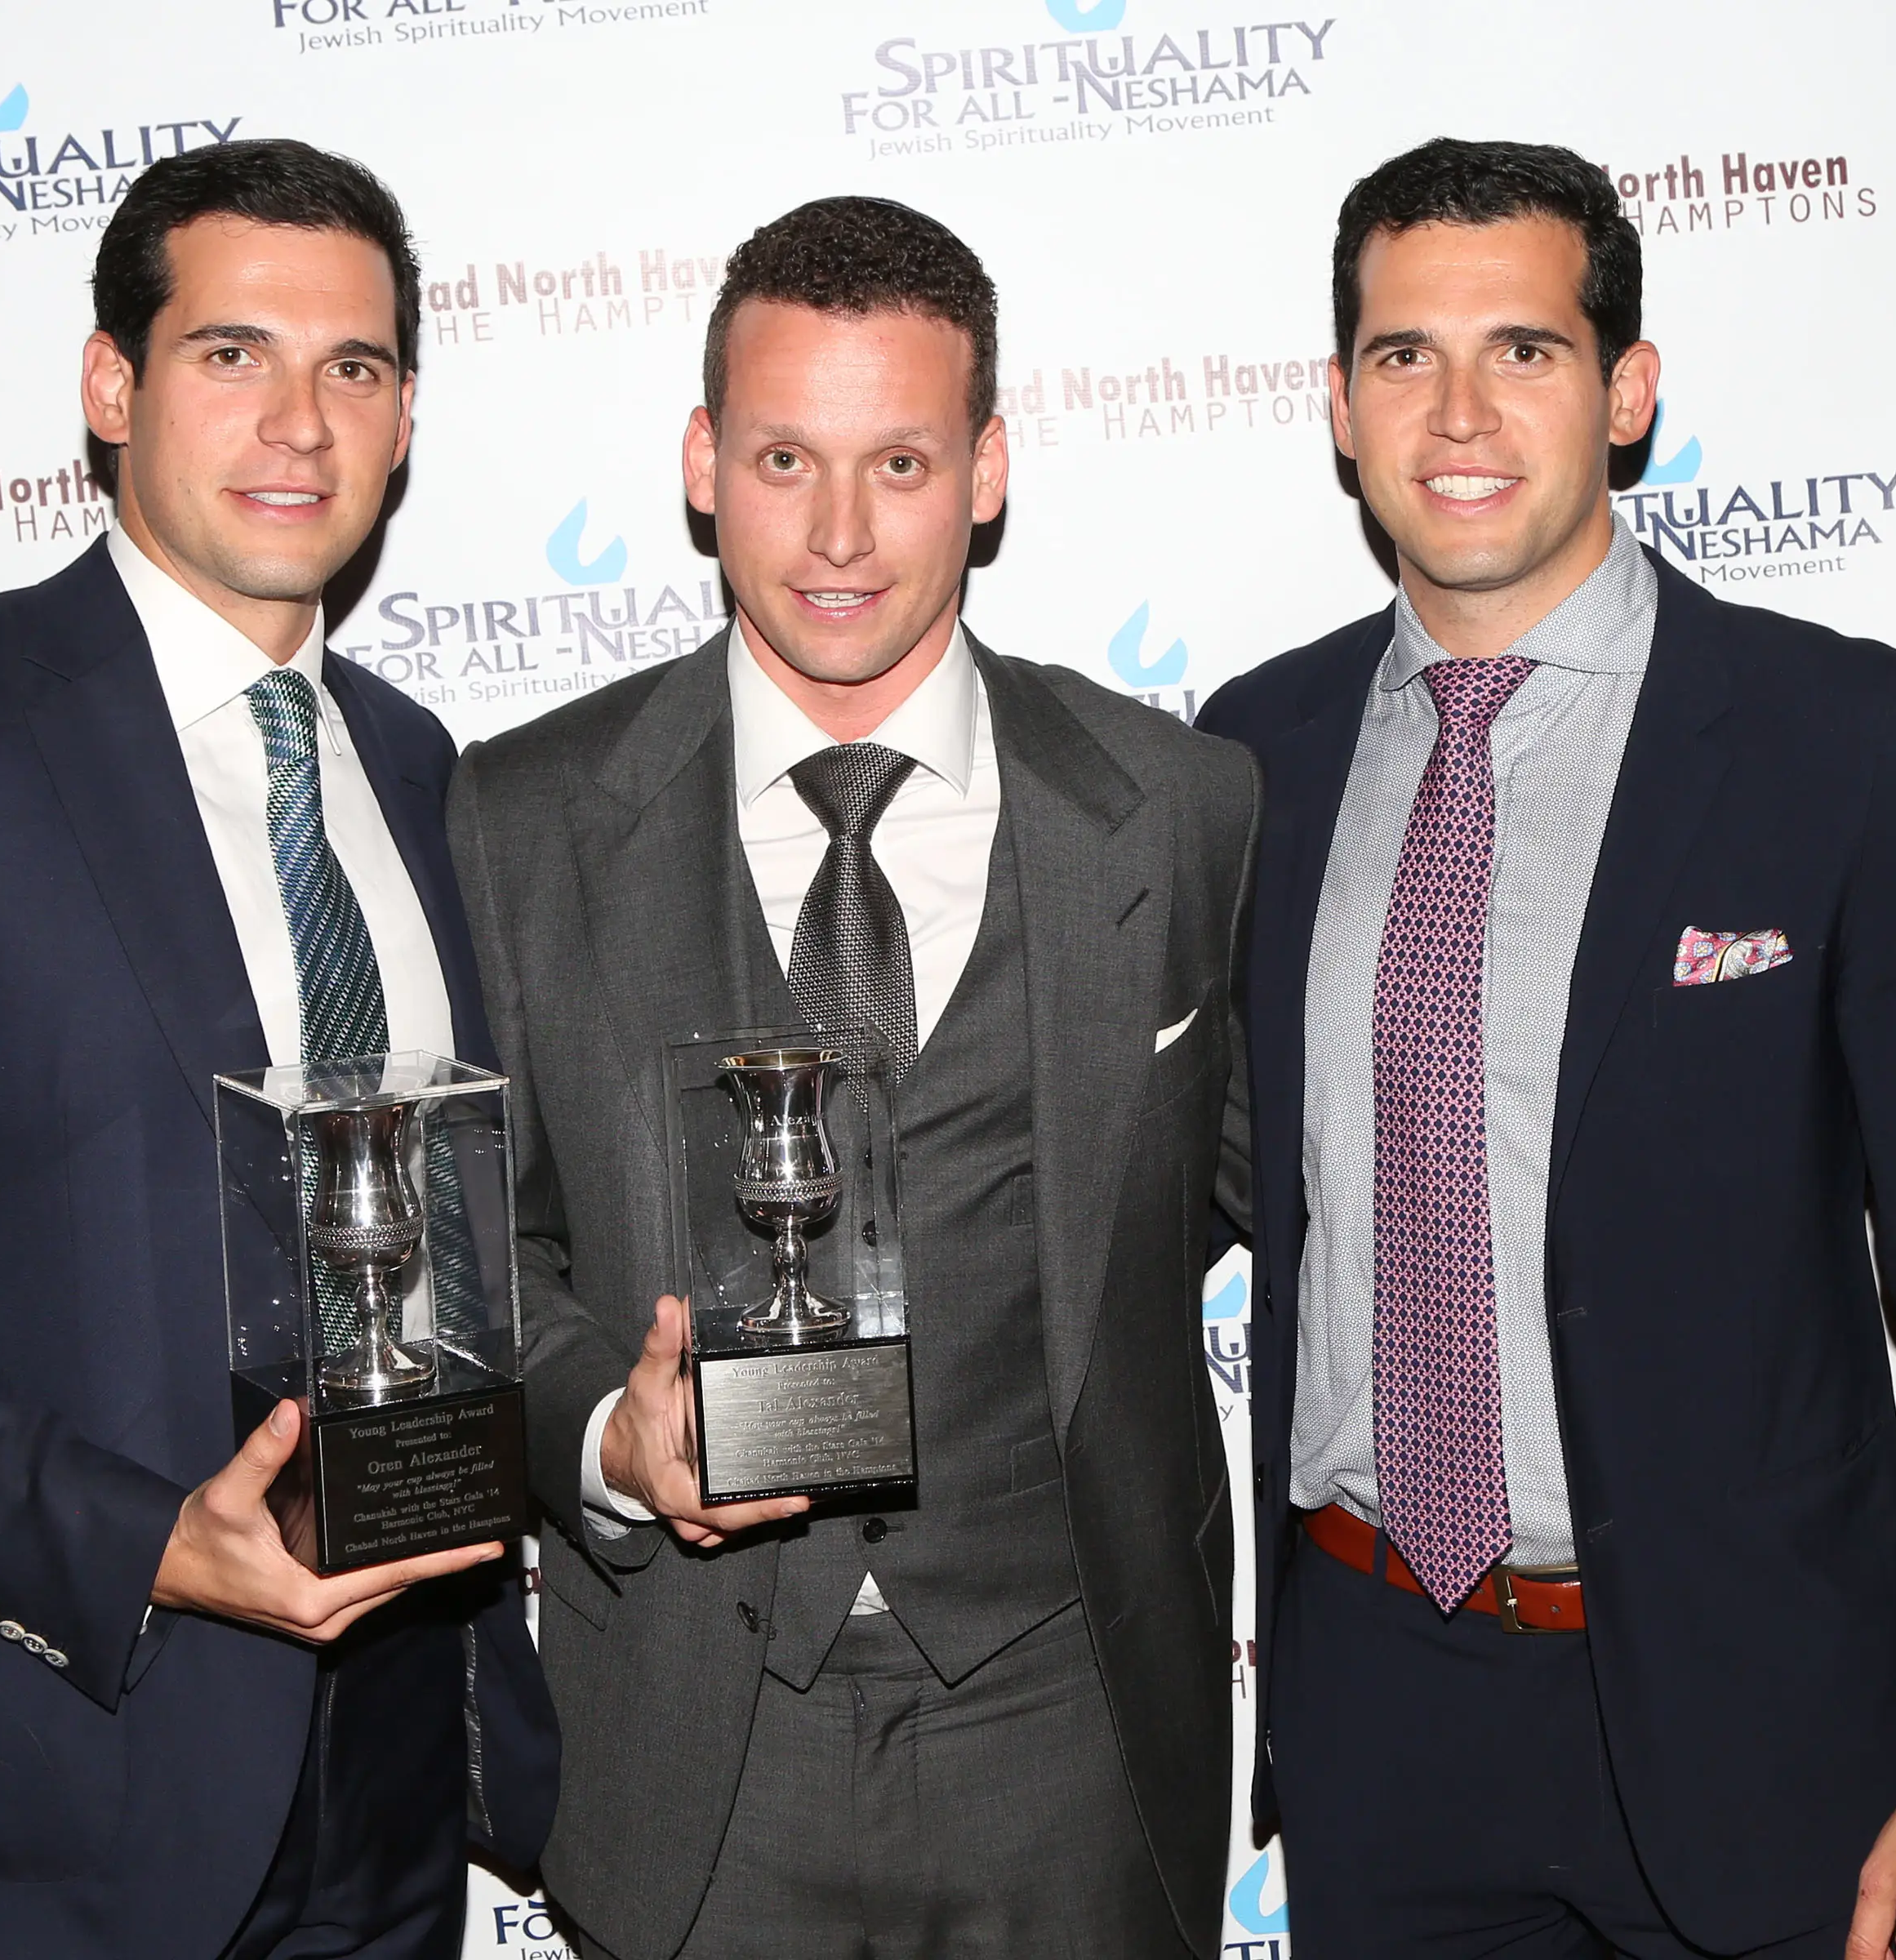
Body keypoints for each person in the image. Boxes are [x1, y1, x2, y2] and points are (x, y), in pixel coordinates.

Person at [1196, 138, 1896, 1960]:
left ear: (1625, 392)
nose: (1460, 410)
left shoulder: (1845, 746)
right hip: (1378, 1717)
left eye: (1524, 350)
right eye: (1404, 356)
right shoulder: (1253, 760)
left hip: (1769, 1737)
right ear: (1339, 405)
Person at [0, 140, 554, 1960]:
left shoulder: (416, 769)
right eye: (234, 353)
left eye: (356, 369)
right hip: (73, 1791)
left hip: (399, 1783)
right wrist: (158, 1541)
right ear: (111, 385)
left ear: (405, 422)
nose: (299, 421)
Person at [447, 195, 1255, 1960]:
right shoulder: (521, 821)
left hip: (1075, 1727)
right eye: (784, 457)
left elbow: (1302, 1196)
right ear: (700, 464)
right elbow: (478, 1257)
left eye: (898, 461)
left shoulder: (1181, 804)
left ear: (985, 471)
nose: (836, 532)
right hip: (693, 1744)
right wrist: (600, 1428)